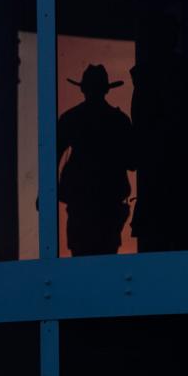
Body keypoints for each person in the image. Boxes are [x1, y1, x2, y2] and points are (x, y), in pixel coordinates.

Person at [129, 13, 188, 252]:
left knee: (163, 235)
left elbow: (141, 124)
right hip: (178, 170)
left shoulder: (149, 76)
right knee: (176, 229)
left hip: (165, 172)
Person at [57, 64, 134, 256]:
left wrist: (45, 193)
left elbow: (54, 155)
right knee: (107, 255)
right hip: (108, 205)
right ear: (106, 89)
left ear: (83, 89)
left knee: (81, 257)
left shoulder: (71, 118)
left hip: (81, 204)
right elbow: (132, 162)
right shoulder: (119, 121)